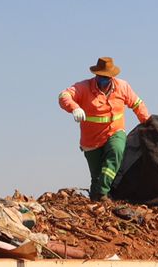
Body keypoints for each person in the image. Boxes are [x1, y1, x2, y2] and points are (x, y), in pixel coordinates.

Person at [58, 57, 152, 200]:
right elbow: (64, 95)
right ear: (96, 75)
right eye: (101, 77)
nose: (104, 80)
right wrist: (74, 108)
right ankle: (98, 199)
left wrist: (148, 123)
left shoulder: (122, 87)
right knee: (96, 177)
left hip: (115, 132)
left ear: (112, 77)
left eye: (107, 78)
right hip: (92, 141)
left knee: (116, 151)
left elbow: (137, 104)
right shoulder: (84, 87)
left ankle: (102, 192)